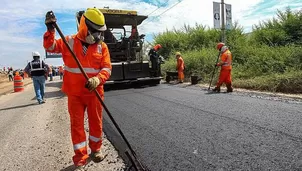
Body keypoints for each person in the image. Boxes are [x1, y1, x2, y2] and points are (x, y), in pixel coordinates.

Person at [43, 8, 112, 170]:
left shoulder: (102, 47)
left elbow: (107, 68)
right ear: (84, 26)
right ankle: (81, 155)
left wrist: (98, 79)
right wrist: (50, 29)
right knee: (77, 125)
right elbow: (50, 46)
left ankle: (96, 150)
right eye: (95, 31)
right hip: (75, 94)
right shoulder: (69, 42)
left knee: (96, 123)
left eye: (100, 32)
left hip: (94, 93)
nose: (98, 35)